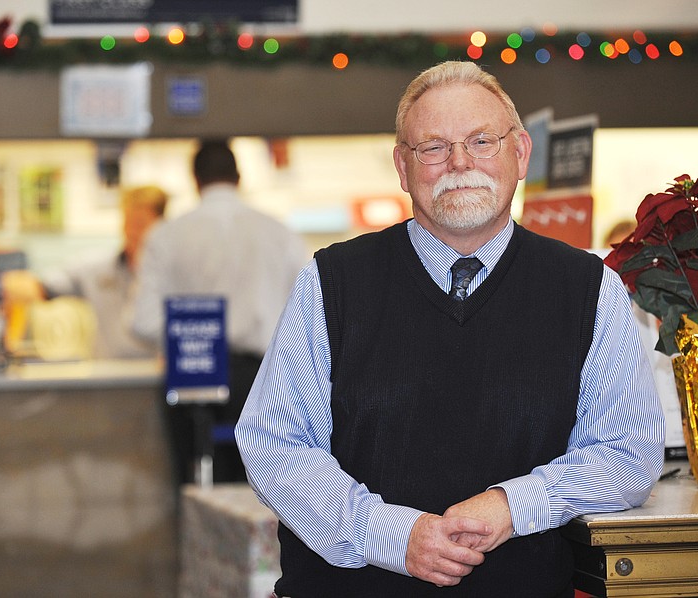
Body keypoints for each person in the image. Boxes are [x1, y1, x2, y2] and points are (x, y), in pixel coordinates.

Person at [235, 60, 665, 597]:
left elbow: (629, 452)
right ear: (402, 166)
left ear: (521, 153)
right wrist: (391, 535)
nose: (460, 163)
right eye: (433, 148)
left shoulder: (589, 289)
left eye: (482, 140)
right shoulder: (330, 282)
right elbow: (275, 444)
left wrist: (513, 505)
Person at [132, 138, 309, 482]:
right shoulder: (280, 233)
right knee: (271, 492)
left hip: (193, 378)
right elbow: (306, 318)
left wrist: (190, 339)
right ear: (239, 176)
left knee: (200, 491)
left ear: (194, 180)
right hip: (268, 378)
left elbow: (144, 321)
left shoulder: (166, 236)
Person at [3, 185, 169, 360]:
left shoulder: (175, 272)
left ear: (162, 226)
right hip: (108, 378)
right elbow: (39, 286)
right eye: (128, 222)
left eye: (141, 224)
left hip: (160, 379)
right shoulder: (97, 269)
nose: (132, 232)